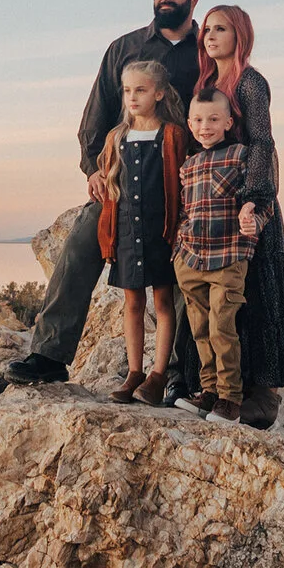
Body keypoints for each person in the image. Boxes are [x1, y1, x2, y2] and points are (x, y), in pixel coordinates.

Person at [8, 0, 202, 386]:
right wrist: (96, 171)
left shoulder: (206, 51)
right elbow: (93, 122)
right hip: (123, 182)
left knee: (186, 273)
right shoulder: (125, 49)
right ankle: (49, 355)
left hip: (182, 186)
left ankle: (183, 372)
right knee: (80, 244)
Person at [195, 3, 284, 421]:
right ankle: (224, 389)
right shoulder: (207, 83)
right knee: (222, 301)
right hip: (216, 204)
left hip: (248, 202)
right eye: (206, 29)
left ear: (239, 34)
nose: (210, 36)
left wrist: (255, 198)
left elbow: (263, 142)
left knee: (258, 293)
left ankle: (265, 394)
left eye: (220, 29)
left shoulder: (251, 83)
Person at [94, 60, 187, 404]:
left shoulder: (173, 135)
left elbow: (181, 187)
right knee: (132, 302)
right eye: (127, 90)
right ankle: (135, 372)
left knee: (163, 302)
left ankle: (158, 375)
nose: (132, 97)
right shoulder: (116, 137)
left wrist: (179, 232)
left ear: (159, 94)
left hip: (160, 233)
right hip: (126, 232)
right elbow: (108, 189)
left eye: (141, 90)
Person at [173, 86, 264, 422]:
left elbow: (259, 201)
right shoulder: (189, 164)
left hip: (227, 257)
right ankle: (209, 391)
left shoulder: (241, 156)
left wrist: (251, 218)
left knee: (222, 327)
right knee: (198, 328)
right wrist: (179, 251)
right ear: (189, 123)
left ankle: (230, 399)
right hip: (191, 258)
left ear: (228, 121)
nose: (205, 125)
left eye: (213, 118)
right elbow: (186, 210)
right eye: (198, 119)